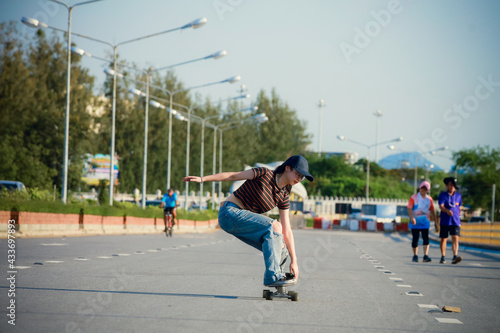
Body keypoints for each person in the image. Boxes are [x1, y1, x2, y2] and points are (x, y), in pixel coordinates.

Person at [183, 155, 314, 287]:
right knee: (275, 226)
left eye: (302, 177)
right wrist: (202, 179)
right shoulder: (264, 174)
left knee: (281, 247)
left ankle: (277, 281)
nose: (299, 179)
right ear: (287, 168)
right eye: (297, 174)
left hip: (241, 219)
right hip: (229, 213)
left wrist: (294, 261)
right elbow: (233, 176)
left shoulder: (284, 195)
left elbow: (287, 230)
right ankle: (272, 276)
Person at [407, 181, 437, 263]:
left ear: (428, 190)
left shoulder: (429, 199)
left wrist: (435, 223)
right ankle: (415, 255)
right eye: (422, 188)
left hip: (425, 222)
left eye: (425, 189)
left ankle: (425, 255)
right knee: (415, 239)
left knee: (426, 238)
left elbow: (432, 210)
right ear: (419, 188)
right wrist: (412, 218)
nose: (423, 190)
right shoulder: (414, 197)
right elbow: (409, 208)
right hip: (415, 223)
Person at [438, 177, 462, 264]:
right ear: (447, 186)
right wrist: (446, 210)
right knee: (444, 238)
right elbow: (441, 206)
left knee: (455, 237)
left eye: (454, 185)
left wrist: (459, 216)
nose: (452, 187)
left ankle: (455, 256)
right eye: (450, 185)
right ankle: (443, 256)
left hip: (455, 221)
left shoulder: (458, 196)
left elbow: (459, 207)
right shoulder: (443, 195)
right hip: (445, 221)